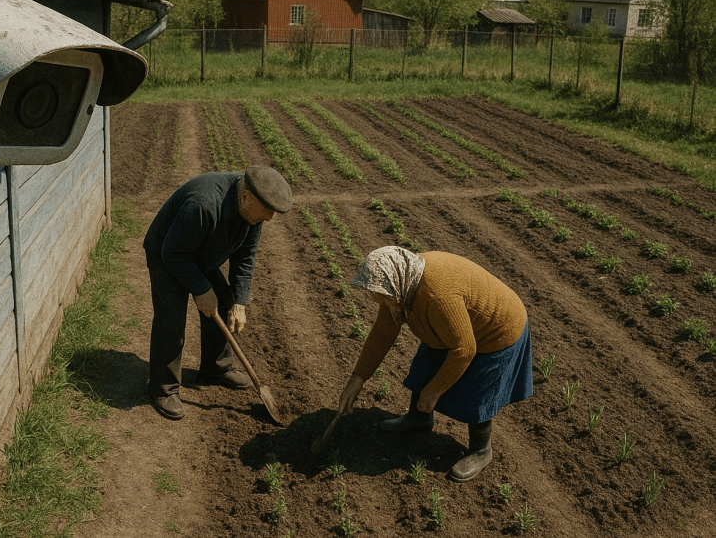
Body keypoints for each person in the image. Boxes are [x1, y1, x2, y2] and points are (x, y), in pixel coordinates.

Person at [337, 246, 533, 482]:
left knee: (477, 392)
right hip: (457, 329)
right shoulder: (399, 283)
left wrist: (435, 389)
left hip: (496, 330)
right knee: (426, 364)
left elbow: (464, 350)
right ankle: (418, 418)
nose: (376, 299)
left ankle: (481, 450)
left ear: (396, 281)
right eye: (374, 294)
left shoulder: (437, 295)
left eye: (380, 295)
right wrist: (357, 379)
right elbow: (382, 332)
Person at [144, 166, 292, 420]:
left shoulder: (255, 210)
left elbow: (245, 258)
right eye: (263, 215)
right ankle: (163, 388)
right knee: (172, 319)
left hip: (200, 253)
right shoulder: (204, 204)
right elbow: (173, 253)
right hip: (168, 254)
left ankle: (216, 368)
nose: (266, 220)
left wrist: (240, 303)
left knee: (224, 300)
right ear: (245, 197)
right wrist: (200, 289)